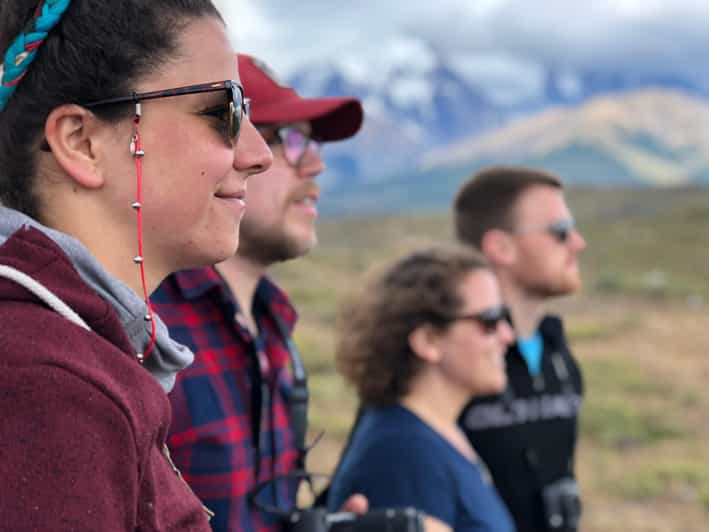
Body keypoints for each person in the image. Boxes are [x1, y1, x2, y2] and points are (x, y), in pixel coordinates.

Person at [0, 1, 272, 529]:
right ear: (83, 141)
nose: (258, 153)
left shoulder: (68, 358)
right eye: (225, 111)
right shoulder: (45, 384)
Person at [151, 53, 364, 532]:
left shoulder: (274, 324)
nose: (315, 165)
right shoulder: (143, 328)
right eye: (288, 138)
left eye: (310, 143)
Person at [326, 245, 516, 532]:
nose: (507, 335)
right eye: (489, 321)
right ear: (428, 340)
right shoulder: (403, 457)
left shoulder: (435, 434)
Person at [454, 166, 587, 532]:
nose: (578, 243)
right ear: (501, 247)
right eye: (560, 232)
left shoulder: (556, 352)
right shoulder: (451, 359)